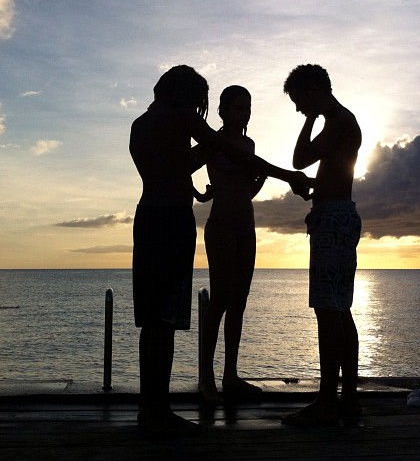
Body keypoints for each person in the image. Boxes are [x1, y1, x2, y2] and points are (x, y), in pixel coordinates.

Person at [129, 65, 311, 434]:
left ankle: (151, 409)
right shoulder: (182, 118)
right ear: (186, 94)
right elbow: (231, 153)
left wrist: (198, 190)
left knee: (152, 320)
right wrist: (289, 176)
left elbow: (173, 168)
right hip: (173, 221)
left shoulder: (140, 125)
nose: (200, 108)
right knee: (166, 319)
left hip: (147, 218)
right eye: (199, 100)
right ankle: (161, 411)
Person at [281, 64, 362, 426]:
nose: (299, 108)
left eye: (300, 100)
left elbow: (300, 158)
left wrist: (310, 119)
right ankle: (348, 398)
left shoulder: (338, 121)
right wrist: (316, 187)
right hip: (336, 214)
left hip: (333, 219)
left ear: (315, 90)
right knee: (340, 308)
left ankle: (328, 401)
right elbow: (333, 172)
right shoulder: (342, 122)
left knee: (329, 309)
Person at [192, 85, 266, 405]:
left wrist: (260, 178)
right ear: (222, 110)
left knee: (239, 302)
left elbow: (247, 188)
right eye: (238, 108)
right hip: (221, 226)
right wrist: (201, 193)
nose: (244, 113)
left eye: (247, 108)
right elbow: (182, 165)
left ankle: (230, 375)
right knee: (220, 299)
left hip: (246, 228)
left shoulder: (249, 145)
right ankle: (206, 377)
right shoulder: (212, 142)